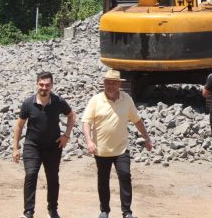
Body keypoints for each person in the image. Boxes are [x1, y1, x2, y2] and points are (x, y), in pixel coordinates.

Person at [82, 69, 153, 218]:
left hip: (121, 148)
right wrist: (89, 141)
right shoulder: (95, 100)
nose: (111, 85)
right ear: (104, 83)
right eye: (108, 82)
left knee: (125, 175)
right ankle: (104, 210)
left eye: (114, 83)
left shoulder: (126, 99)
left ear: (119, 85)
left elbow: (137, 120)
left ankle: (127, 212)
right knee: (103, 180)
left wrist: (146, 138)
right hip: (101, 149)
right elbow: (86, 122)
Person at [13, 71, 76, 218]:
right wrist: (15, 148)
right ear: (36, 84)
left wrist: (66, 135)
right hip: (32, 145)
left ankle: (52, 210)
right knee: (31, 175)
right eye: (41, 85)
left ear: (52, 86)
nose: (44, 88)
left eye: (47, 85)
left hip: (54, 146)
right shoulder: (28, 103)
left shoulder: (58, 101)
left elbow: (72, 116)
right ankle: (28, 212)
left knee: (53, 178)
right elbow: (19, 126)